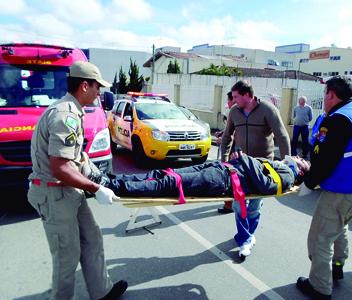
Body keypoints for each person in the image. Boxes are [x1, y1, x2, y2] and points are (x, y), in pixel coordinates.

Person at [27, 61, 127, 300]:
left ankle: (102, 292)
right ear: (84, 86)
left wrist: (101, 178)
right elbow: (60, 167)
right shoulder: (65, 116)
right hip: (55, 194)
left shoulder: (73, 111)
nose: (99, 93)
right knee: (66, 257)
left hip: (69, 191)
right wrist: (95, 188)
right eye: (97, 87)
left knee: (92, 238)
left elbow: (76, 158)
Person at [296, 76, 352, 299]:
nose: (323, 99)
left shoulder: (337, 119)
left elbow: (325, 160)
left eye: (324, 94)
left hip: (345, 190)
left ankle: (320, 287)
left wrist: (307, 183)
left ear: (331, 94)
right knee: (340, 226)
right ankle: (338, 266)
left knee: (320, 238)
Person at [220, 80, 290, 258]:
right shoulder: (234, 112)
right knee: (238, 204)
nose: (233, 100)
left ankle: (246, 237)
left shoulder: (268, 110)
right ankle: (246, 239)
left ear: (247, 95)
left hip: (263, 167)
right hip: (241, 165)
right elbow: (227, 136)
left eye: (236, 96)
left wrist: (287, 162)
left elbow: (282, 136)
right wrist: (224, 161)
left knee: (255, 206)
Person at [84, 152, 309, 205]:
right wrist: (241, 158)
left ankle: (109, 185)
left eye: (301, 160)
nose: (297, 157)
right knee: (165, 174)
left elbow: (267, 185)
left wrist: (246, 158)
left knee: (169, 184)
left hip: (222, 180)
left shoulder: (288, 175)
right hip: (220, 168)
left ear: (300, 171)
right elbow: (253, 166)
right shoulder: (279, 163)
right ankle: (107, 178)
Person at [216, 91, 236, 214]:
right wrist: (222, 133)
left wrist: (223, 138)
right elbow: (230, 129)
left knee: (230, 177)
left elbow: (232, 133)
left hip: (233, 149)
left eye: (229, 100)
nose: (227, 103)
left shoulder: (233, 111)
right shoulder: (238, 111)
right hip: (234, 148)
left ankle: (229, 205)